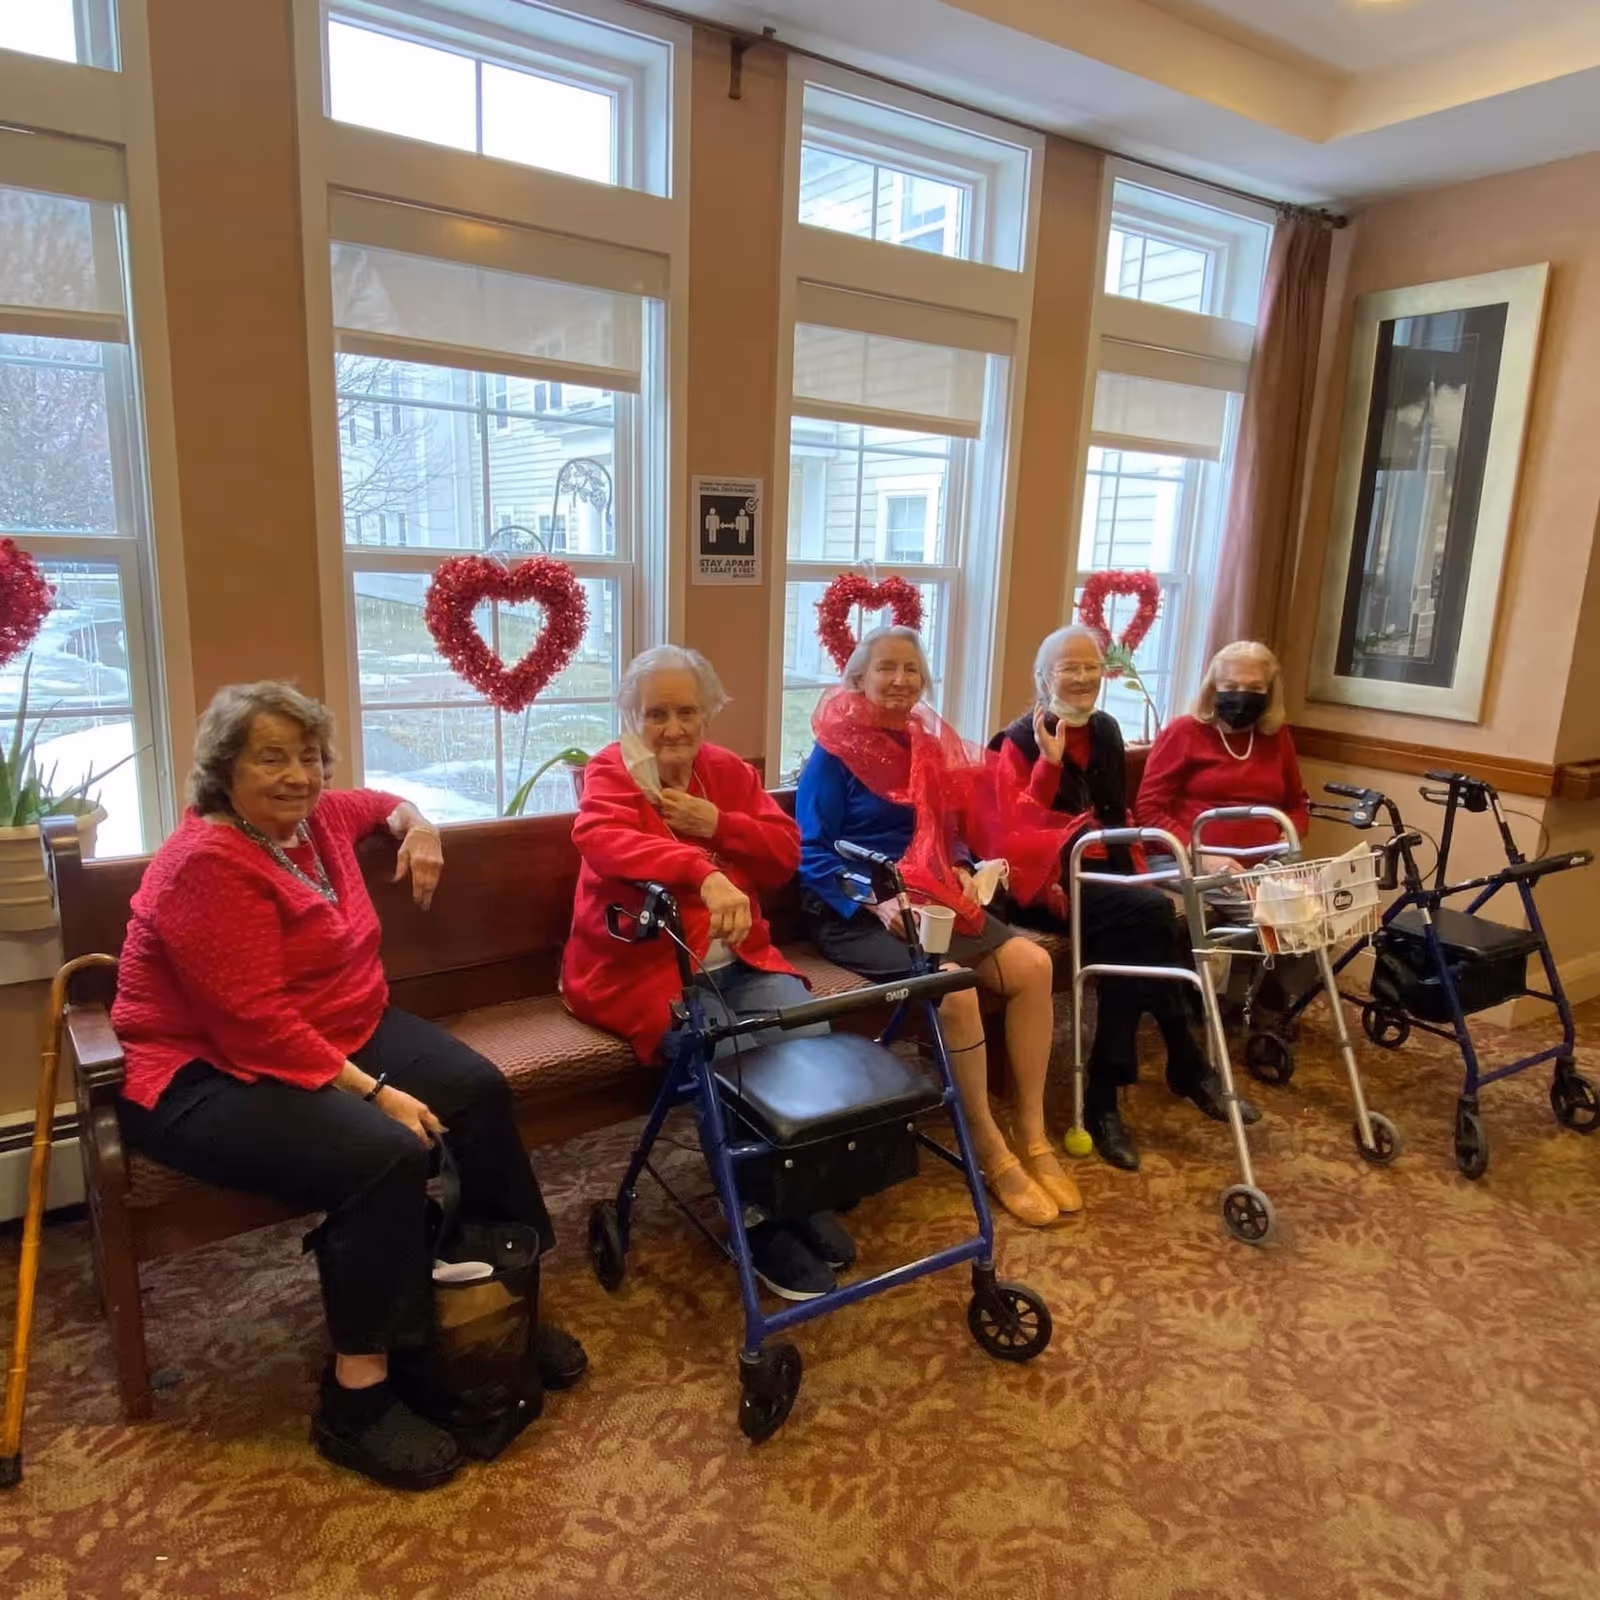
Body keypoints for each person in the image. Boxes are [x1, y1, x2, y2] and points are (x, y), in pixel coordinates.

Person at [113, 682, 583, 1493]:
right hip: (200, 1070)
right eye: (272, 757)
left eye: (310, 756)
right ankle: (356, 1398)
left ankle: (498, 1300)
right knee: (382, 1153)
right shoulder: (203, 864)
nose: (299, 775)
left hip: (339, 1026)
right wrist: (375, 1094)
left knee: (474, 1088)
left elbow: (383, 802)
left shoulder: (317, 820)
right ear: (223, 770)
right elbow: (252, 1024)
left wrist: (419, 823)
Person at [561, 645, 855, 1302]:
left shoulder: (724, 773)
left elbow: (784, 854)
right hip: (643, 973)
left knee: (808, 1032)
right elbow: (602, 840)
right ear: (630, 715)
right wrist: (704, 867)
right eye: (656, 713)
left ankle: (794, 1196)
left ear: (709, 712)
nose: (672, 728)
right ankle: (757, 1218)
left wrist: (718, 823)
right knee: (734, 1057)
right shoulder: (614, 773)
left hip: (742, 961)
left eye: (686, 711)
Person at [794, 625, 1083, 1229]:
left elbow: (949, 827)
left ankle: (1030, 1130)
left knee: (1034, 965)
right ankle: (984, 1140)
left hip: (929, 894)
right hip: (855, 910)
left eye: (911, 669)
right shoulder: (833, 750)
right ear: (859, 679)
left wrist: (961, 864)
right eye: (886, 669)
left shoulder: (926, 743)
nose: (900, 681)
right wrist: (875, 903)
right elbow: (812, 852)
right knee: (951, 987)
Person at [989, 625, 1259, 1172]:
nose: (1084, 677)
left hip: (1109, 878)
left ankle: (1108, 1093)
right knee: (1152, 916)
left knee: (1142, 923)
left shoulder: (1107, 731)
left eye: (1092, 666)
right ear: (1043, 678)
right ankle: (1181, 1062)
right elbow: (1011, 833)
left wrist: (1138, 873)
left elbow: (1122, 816)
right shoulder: (1013, 741)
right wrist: (1048, 761)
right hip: (1042, 884)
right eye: (1069, 667)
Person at [1135, 640, 1310, 871]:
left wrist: (1289, 837)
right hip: (1187, 861)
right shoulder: (1184, 731)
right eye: (1231, 686)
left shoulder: (1276, 735)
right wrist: (1198, 854)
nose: (1242, 696)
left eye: (1255, 688)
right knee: (1253, 907)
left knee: (1315, 904)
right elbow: (1148, 810)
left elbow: (1297, 805)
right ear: (1213, 688)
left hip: (1264, 866)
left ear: (1269, 693)